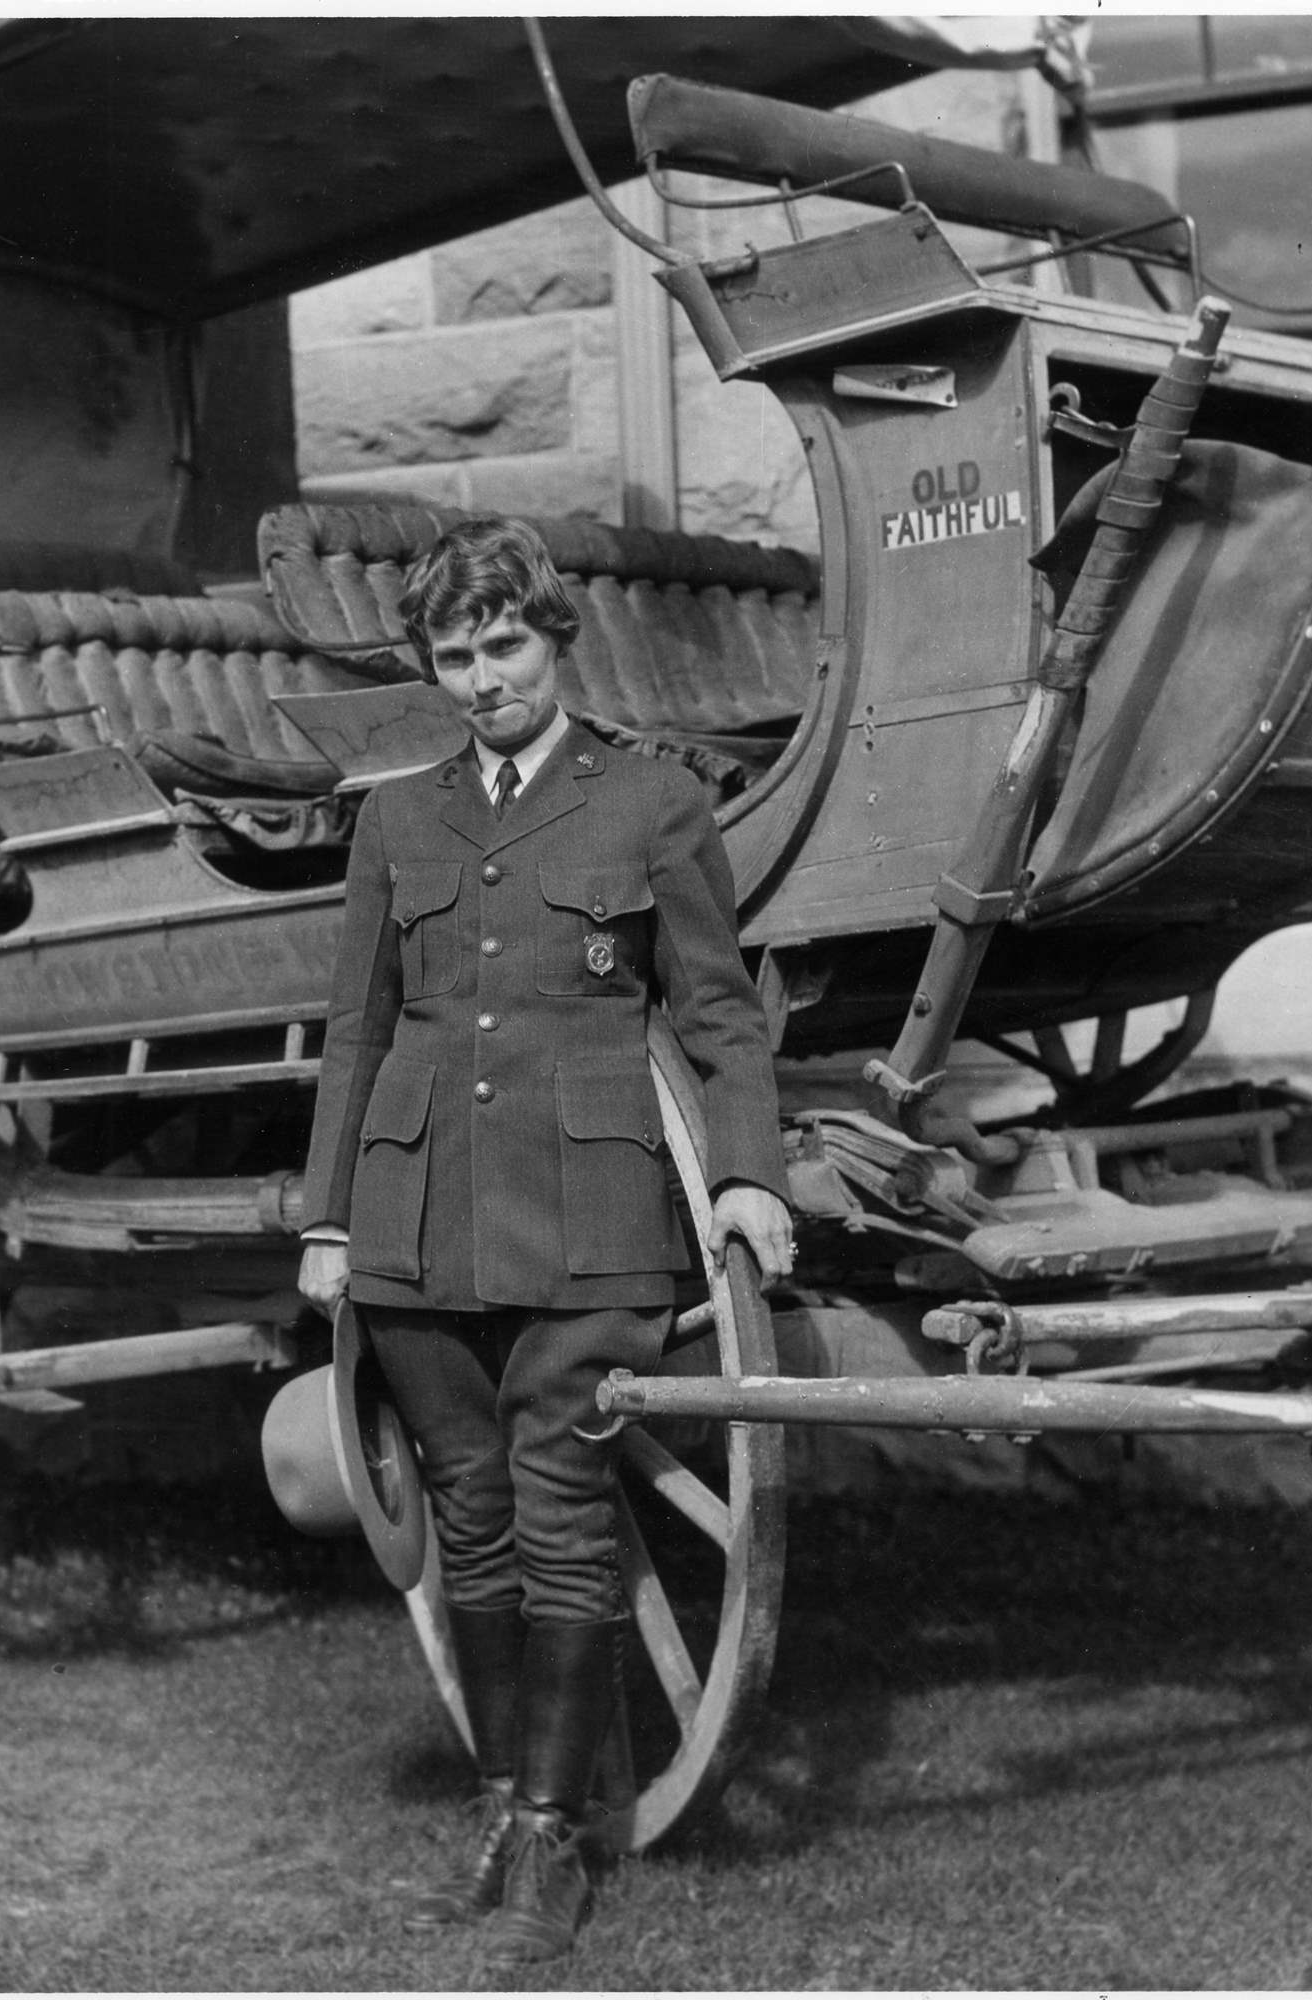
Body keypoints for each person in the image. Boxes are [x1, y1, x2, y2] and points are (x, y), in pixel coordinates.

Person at [296, 516, 791, 1965]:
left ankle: (559, 1843)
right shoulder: (396, 822)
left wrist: (749, 1178)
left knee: (566, 1520)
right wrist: (331, 1215)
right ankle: (515, 1811)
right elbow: (356, 1030)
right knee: (472, 1523)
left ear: (556, 642)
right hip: (416, 1220)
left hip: (589, 1221)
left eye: (503, 646)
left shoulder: (652, 802)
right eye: (454, 656)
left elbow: (714, 1011)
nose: (481, 679)